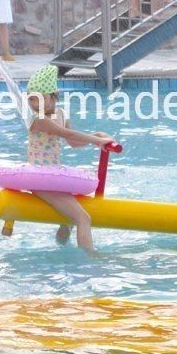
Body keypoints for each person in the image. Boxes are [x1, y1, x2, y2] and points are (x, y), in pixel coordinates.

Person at [26, 64, 116, 251]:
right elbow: (65, 132)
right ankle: (90, 260)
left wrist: (96, 136)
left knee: (69, 221)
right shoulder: (38, 119)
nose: (35, 104)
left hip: (52, 175)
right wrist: (96, 140)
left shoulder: (61, 113)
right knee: (84, 218)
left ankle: (61, 251)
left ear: (53, 96)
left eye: (39, 99)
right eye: (31, 99)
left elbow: (72, 141)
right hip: (40, 178)